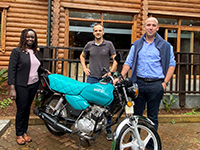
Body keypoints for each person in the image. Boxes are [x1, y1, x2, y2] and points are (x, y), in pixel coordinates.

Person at [118, 17, 176, 149]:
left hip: (156, 85)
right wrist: (121, 76)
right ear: (144, 27)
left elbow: (172, 65)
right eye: (148, 25)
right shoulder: (137, 44)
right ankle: (134, 141)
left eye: (153, 25)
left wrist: (165, 83)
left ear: (157, 28)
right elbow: (129, 62)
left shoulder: (166, 46)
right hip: (137, 84)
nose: (150, 27)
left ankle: (150, 145)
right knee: (136, 116)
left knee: (152, 117)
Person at [8, 28, 51, 145]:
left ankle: (25, 132)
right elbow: (11, 70)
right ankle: (18, 133)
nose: (30, 39)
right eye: (28, 36)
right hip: (21, 85)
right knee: (21, 110)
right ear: (23, 37)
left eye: (32, 37)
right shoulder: (16, 52)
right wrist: (12, 88)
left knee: (27, 109)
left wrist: (44, 70)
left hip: (33, 85)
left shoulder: (34, 52)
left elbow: (35, 66)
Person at [80, 23, 118, 140]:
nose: (98, 32)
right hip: (91, 78)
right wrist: (84, 68)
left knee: (107, 105)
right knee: (89, 104)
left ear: (103, 32)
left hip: (105, 79)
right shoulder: (89, 45)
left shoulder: (109, 44)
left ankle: (108, 129)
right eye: (95, 30)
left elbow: (115, 60)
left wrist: (111, 72)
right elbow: (82, 56)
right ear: (93, 32)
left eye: (100, 30)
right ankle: (88, 128)